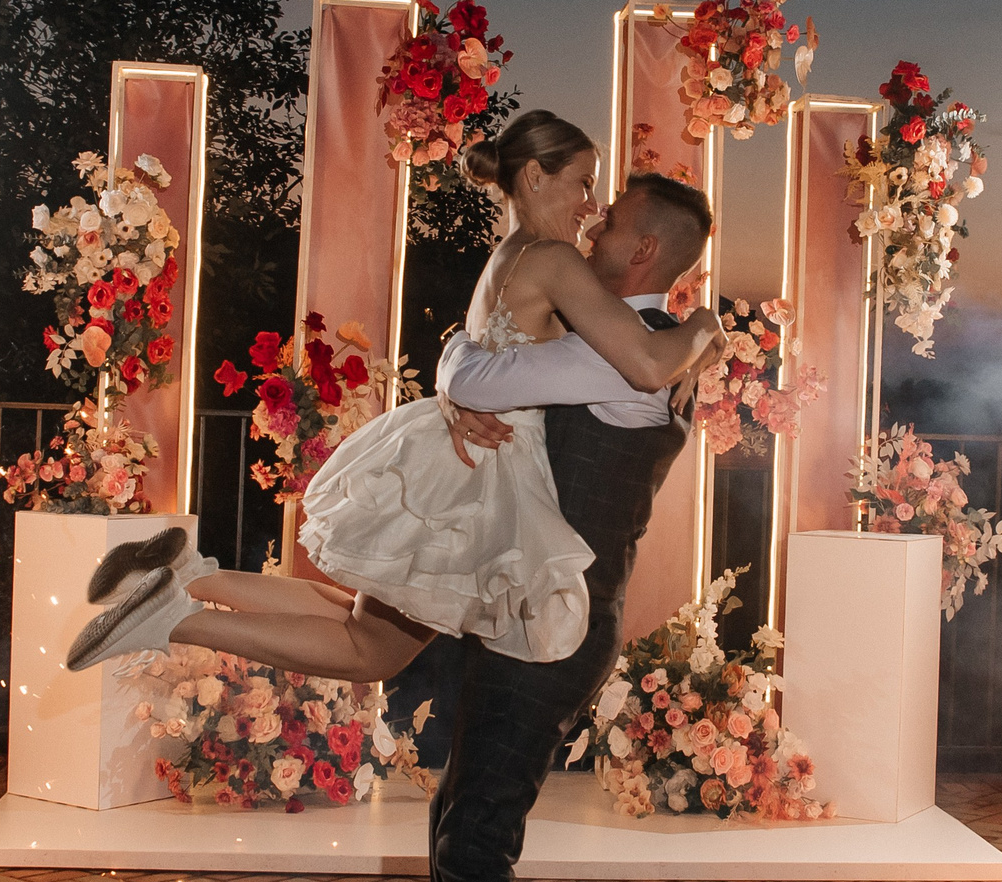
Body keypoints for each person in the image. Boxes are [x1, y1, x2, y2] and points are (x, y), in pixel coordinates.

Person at [64, 112, 719, 688]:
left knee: (359, 619)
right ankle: (175, 618)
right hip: (486, 477)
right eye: (582, 181)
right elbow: (647, 362)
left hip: (451, 450)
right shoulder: (557, 260)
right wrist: (703, 326)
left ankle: (191, 573)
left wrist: (458, 393)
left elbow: (480, 357)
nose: (592, 203)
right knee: (369, 650)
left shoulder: (508, 257)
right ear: (536, 178)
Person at [403, 168, 714, 882]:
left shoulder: (616, 359)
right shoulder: (632, 348)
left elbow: (468, 371)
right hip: (546, 613)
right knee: (458, 815)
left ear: (643, 255)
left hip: (551, 625)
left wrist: (461, 355)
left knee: (472, 840)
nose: (588, 226)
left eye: (607, 221)